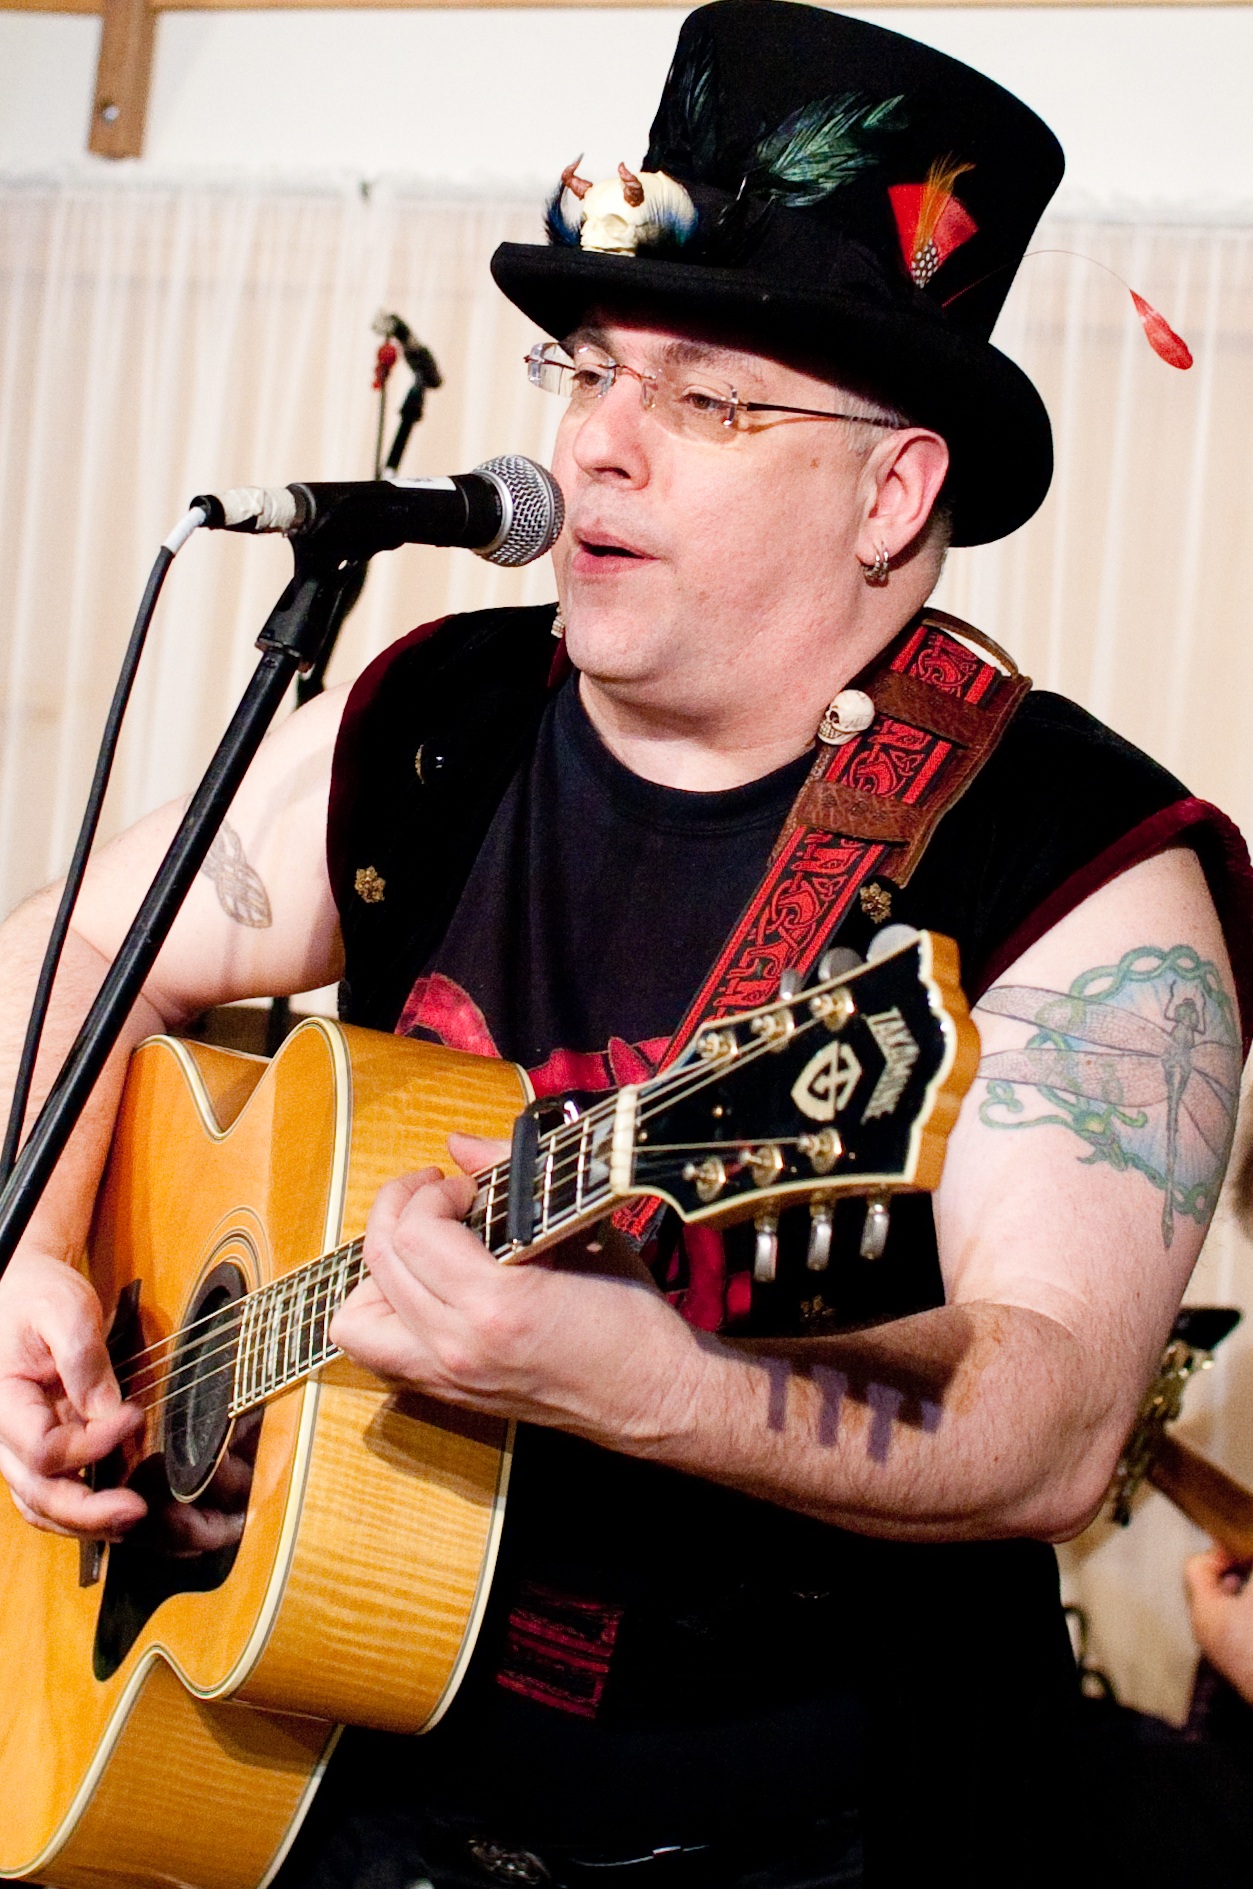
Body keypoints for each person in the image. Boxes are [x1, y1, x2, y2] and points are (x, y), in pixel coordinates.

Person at [0, 5, 1250, 1884]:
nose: (593, 441)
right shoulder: (435, 718)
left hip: (809, 1842)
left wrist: (638, 1376)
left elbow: (1057, 1414)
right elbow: (84, 941)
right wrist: (34, 1253)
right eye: (587, 369)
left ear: (893, 492)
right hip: (335, 1768)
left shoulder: (1082, 870)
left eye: (704, 399)